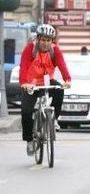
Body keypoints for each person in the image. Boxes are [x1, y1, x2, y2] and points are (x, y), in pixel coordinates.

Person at [19, 24, 72, 155]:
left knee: (59, 89)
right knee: (26, 112)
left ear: (52, 41)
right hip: (31, 84)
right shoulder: (30, 49)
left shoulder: (55, 51)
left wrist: (67, 80)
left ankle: (54, 120)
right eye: (43, 39)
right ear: (37, 39)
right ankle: (29, 141)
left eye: (49, 40)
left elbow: (62, 66)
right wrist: (24, 83)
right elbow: (23, 67)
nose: (45, 43)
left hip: (46, 82)